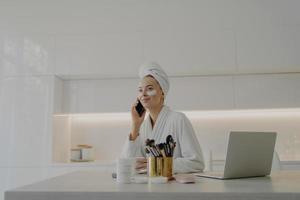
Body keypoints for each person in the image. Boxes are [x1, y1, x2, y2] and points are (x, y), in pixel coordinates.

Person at [121, 62, 205, 173]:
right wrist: (135, 125)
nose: (143, 94)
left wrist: (157, 164)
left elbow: (196, 163)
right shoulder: (143, 126)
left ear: (162, 93)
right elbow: (127, 165)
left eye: (149, 89)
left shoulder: (178, 119)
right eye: (140, 90)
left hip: (175, 188)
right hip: (149, 187)